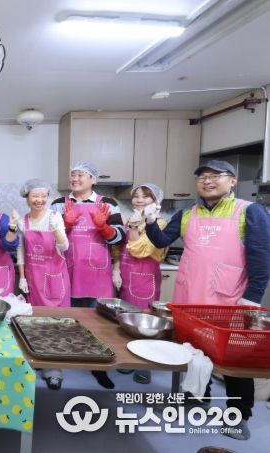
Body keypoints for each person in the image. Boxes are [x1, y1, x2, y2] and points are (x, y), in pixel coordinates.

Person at [145, 160, 270, 440]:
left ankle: (239, 415)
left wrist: (252, 299)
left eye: (215, 176)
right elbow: (161, 241)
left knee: (235, 362)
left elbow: (262, 259)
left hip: (229, 301)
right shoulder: (187, 214)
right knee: (193, 353)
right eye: (202, 177)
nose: (207, 181)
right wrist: (151, 222)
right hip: (190, 297)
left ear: (232, 181)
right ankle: (197, 397)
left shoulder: (249, 211)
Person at [51, 161, 125, 390]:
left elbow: (120, 237)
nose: (75, 178)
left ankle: (100, 367)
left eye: (81, 175)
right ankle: (61, 362)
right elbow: (48, 238)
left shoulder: (109, 204)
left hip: (97, 271)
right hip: (67, 267)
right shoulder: (58, 203)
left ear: (93, 179)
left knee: (99, 321)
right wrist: (65, 224)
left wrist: (104, 227)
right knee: (65, 319)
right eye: (72, 174)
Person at [16, 179, 69, 390]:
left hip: (54, 278)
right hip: (32, 279)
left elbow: (64, 247)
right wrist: (22, 277)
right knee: (33, 323)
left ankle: (54, 370)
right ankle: (36, 361)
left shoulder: (54, 217)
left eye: (43, 196)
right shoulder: (23, 221)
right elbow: (20, 251)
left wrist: (56, 230)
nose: (39, 200)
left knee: (55, 325)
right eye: (34, 196)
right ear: (27, 198)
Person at [112, 183, 167, 385]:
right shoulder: (129, 220)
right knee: (127, 321)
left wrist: (135, 227)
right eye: (136, 196)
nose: (139, 200)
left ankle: (145, 367)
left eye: (145, 196)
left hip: (145, 280)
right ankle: (128, 360)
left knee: (145, 324)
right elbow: (118, 248)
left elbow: (139, 251)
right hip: (126, 278)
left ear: (156, 201)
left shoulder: (159, 224)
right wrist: (116, 269)